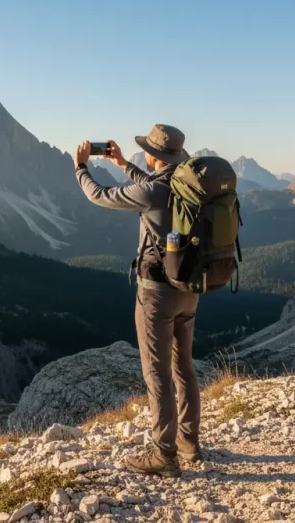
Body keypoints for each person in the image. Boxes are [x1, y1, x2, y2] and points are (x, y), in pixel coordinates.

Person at [73, 124, 201, 478]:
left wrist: (81, 168)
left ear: (155, 155)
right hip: (189, 289)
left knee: (156, 374)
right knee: (184, 367)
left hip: (156, 293)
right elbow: (153, 185)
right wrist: (124, 164)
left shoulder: (151, 192)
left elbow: (99, 195)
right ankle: (190, 444)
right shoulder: (185, 183)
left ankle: (164, 455)